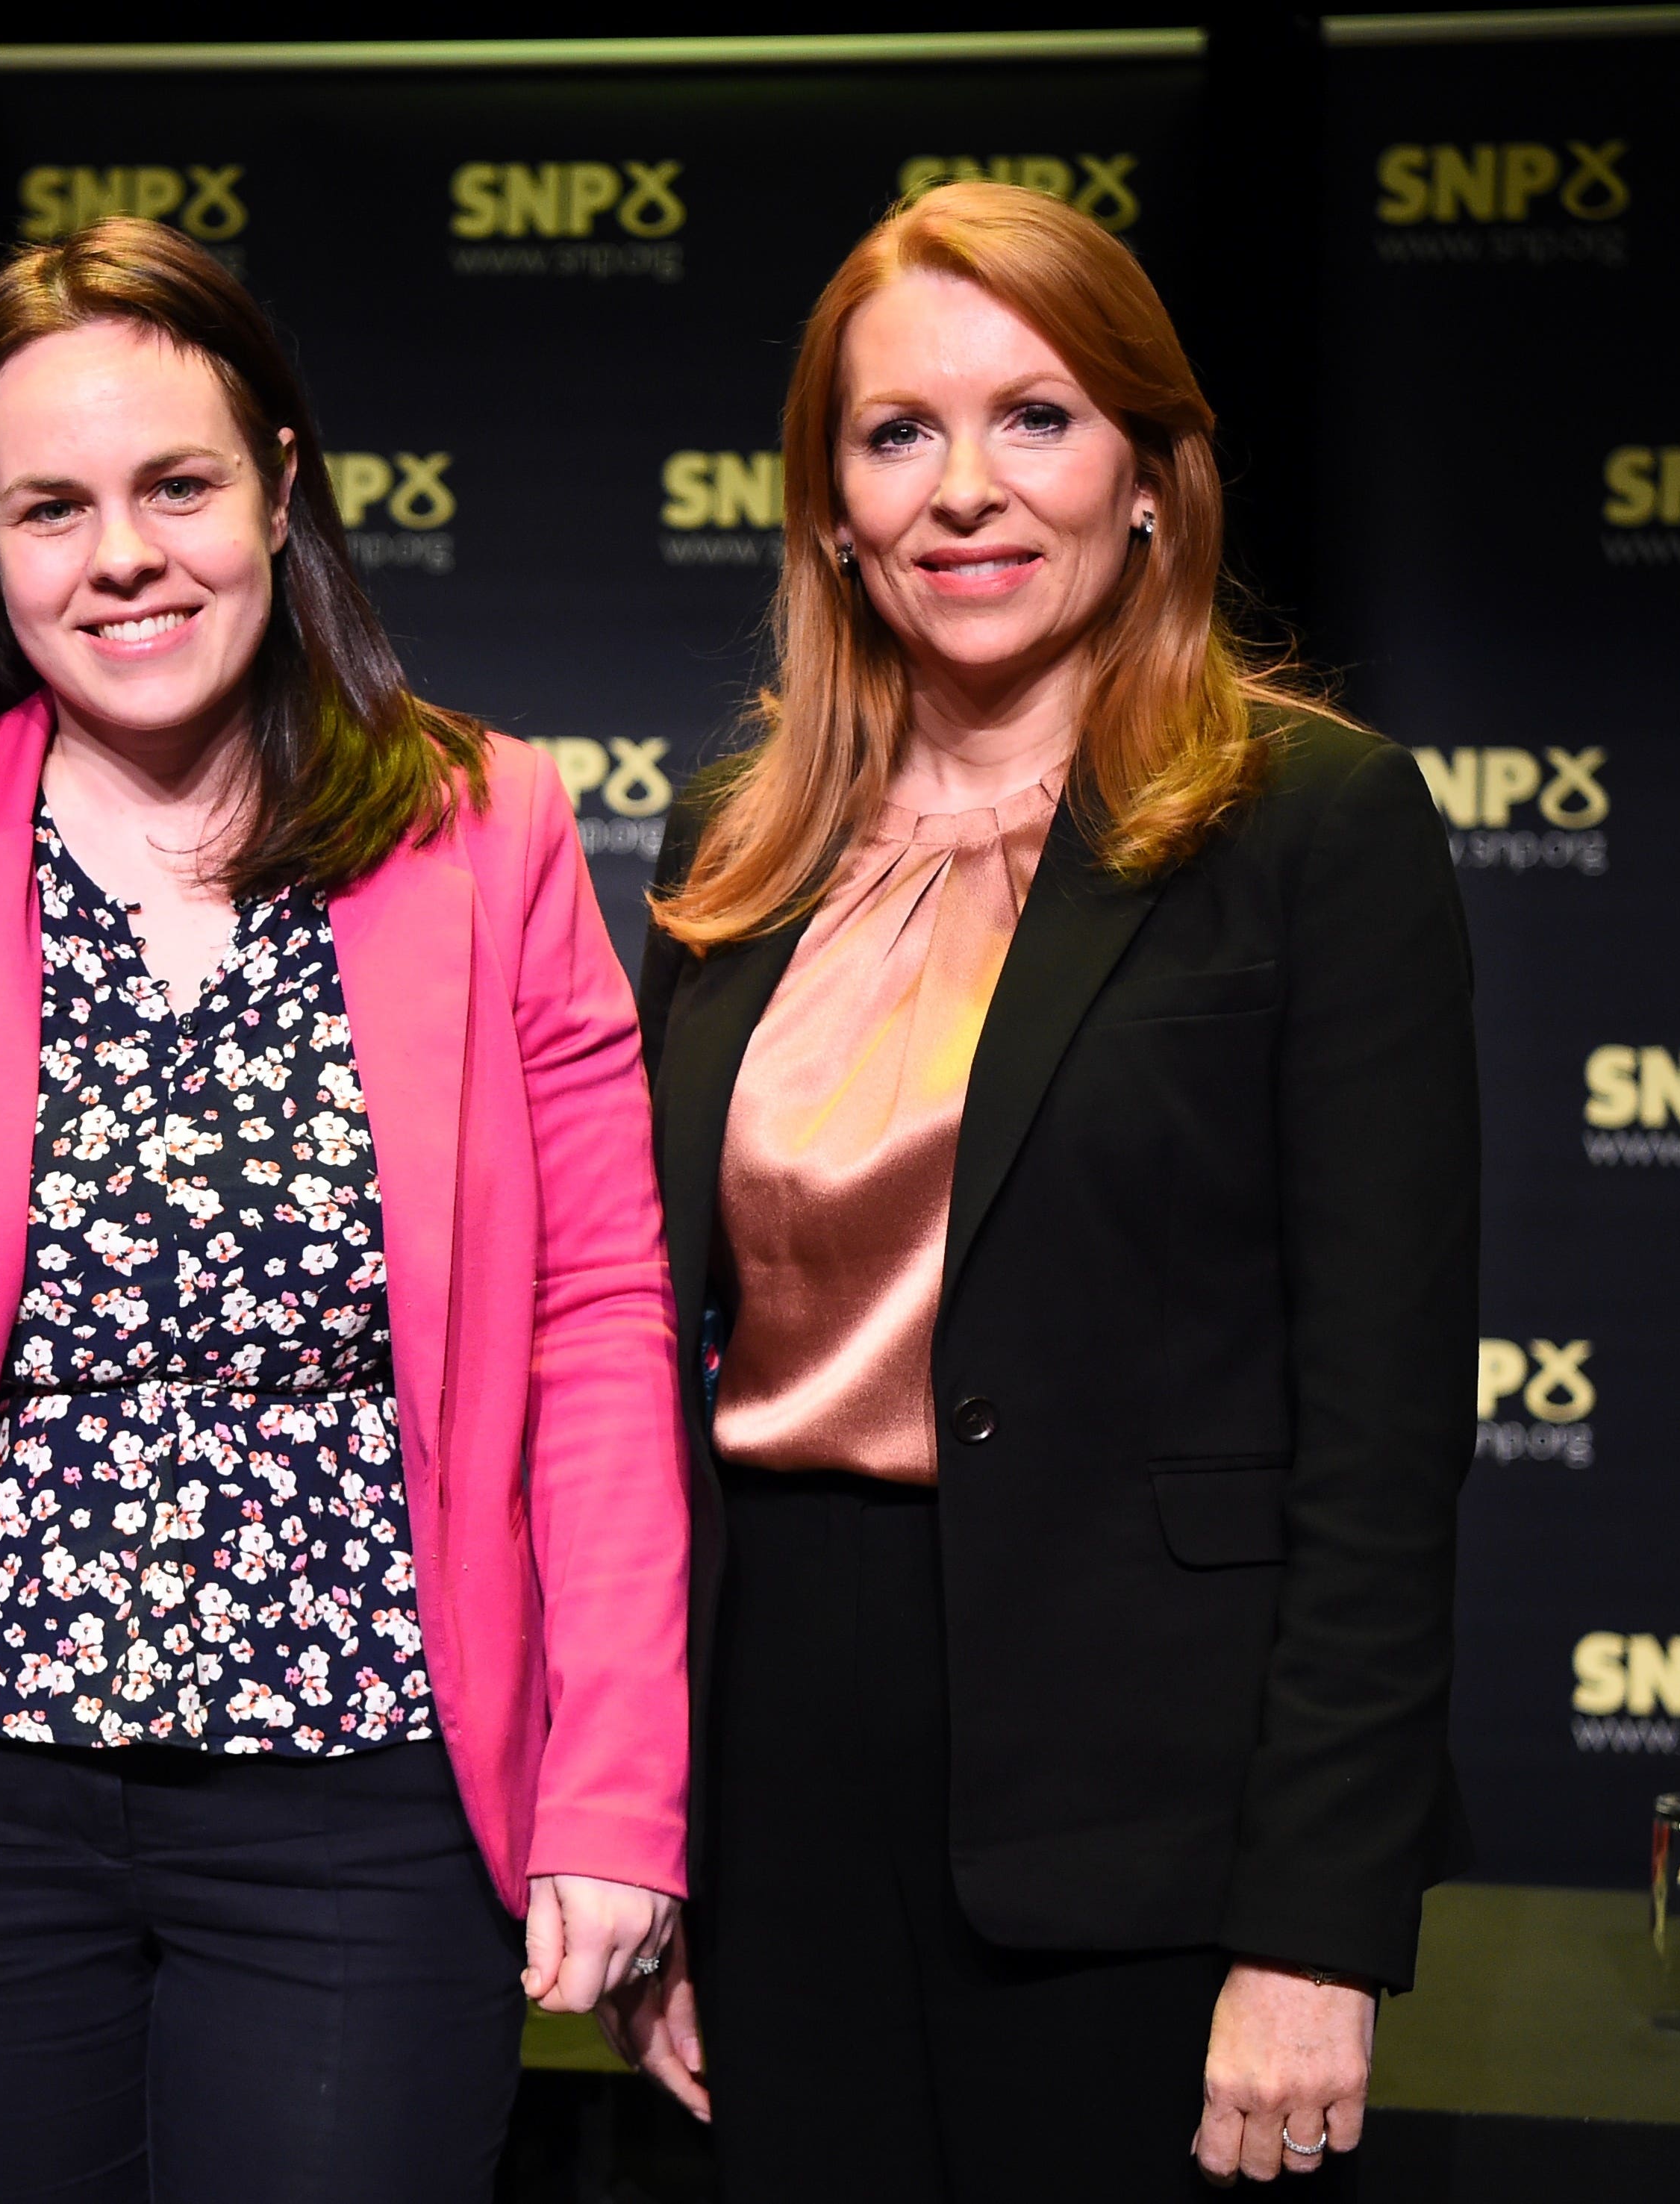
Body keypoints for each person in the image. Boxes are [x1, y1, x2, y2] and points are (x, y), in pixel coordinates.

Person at [0, 216, 690, 2202]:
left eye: (176, 485)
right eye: (49, 506)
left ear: (283, 486)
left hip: (374, 1810)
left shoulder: (494, 828)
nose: (121, 555)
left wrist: (619, 1787)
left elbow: (602, 1330)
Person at [608, 180, 1476, 2194]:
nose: (964, 490)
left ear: (1154, 475)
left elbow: (1383, 1434)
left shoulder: (1311, 823)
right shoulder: (738, 843)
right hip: (778, 1775)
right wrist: (657, 1852)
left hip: (1145, 1808)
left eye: (1038, 418)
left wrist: (1314, 1930)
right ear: (831, 507)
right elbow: (649, 1374)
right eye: (899, 433)